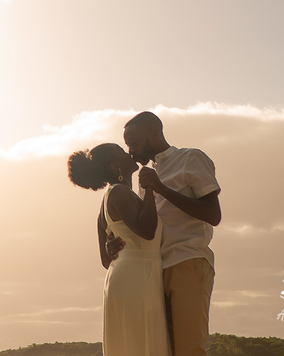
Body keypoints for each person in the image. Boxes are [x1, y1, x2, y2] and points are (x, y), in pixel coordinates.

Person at [123, 111, 221, 356]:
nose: (130, 152)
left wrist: (161, 188)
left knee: (189, 349)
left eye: (133, 142)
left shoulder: (191, 158)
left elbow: (213, 214)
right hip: (154, 270)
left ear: (154, 132)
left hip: (188, 261)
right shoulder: (147, 177)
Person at [68, 143, 170, 356]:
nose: (129, 153)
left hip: (127, 275)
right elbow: (147, 229)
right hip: (136, 277)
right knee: (141, 342)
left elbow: (107, 260)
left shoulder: (110, 199)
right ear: (116, 167)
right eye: (122, 153)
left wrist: (112, 248)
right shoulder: (119, 192)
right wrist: (151, 187)